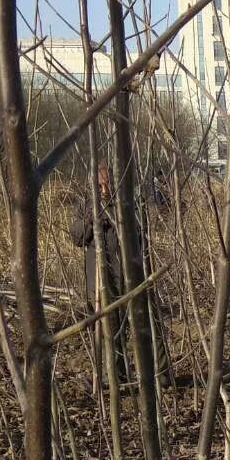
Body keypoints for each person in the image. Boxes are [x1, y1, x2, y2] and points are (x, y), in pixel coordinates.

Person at [71, 161, 127, 381]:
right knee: (105, 327)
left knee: (122, 326)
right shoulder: (86, 205)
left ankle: (120, 373)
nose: (105, 190)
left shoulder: (123, 204)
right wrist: (91, 220)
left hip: (122, 274)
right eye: (101, 185)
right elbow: (76, 237)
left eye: (108, 185)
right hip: (97, 276)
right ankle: (107, 375)